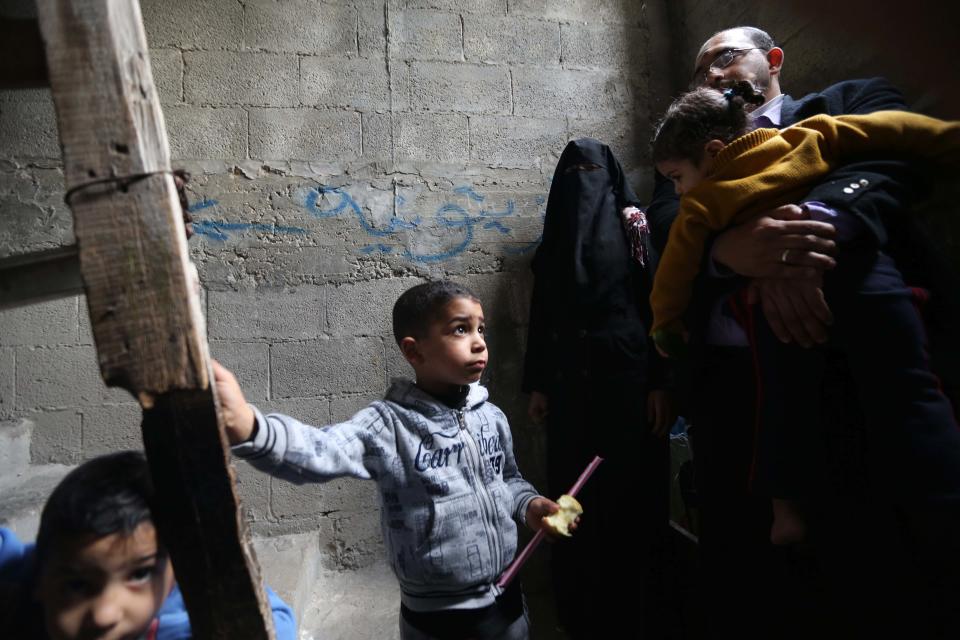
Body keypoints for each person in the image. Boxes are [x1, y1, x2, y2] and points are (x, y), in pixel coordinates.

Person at [644, 25, 957, 638]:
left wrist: (804, 229)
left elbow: (896, 157)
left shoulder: (841, 105)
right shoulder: (685, 163)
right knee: (750, 568)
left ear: (775, 59)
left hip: (848, 373)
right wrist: (731, 249)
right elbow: (667, 227)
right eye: (700, 68)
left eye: (726, 56)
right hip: (732, 397)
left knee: (876, 557)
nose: (710, 72)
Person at [215, 280, 568, 640]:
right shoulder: (388, 425)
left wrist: (530, 505)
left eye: (481, 329)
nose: (479, 341)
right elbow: (321, 450)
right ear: (414, 353)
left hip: (509, 607)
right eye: (460, 329)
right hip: (437, 623)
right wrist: (250, 427)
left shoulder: (491, 416)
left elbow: (507, 479)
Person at [522, 138, 675, 639]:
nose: (582, 182)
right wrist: (538, 386)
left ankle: (641, 610)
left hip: (629, 382)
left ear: (609, 179)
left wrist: (659, 382)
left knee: (632, 492)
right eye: (575, 173)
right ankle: (581, 613)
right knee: (575, 495)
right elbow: (541, 319)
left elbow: (659, 308)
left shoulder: (636, 230)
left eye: (591, 170)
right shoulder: (552, 246)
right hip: (569, 387)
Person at [0, 450, 296, 640]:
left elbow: (275, 624)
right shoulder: (28, 567)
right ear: (40, 578)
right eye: (77, 585)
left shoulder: (196, 597)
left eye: (139, 574)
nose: (104, 615)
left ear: (173, 572)